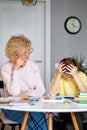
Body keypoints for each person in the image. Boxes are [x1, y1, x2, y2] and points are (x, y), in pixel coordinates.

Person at [0, 35, 48, 130]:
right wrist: (15, 69)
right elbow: (14, 93)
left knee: (38, 115)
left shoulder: (33, 65)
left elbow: (41, 90)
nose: (27, 56)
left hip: (32, 105)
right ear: (15, 53)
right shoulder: (5, 69)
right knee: (37, 117)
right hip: (13, 109)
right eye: (24, 53)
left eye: (28, 52)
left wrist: (28, 94)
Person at [50, 57, 87, 130]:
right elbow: (52, 93)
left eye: (69, 75)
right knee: (70, 121)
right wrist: (58, 75)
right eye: (65, 75)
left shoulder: (81, 75)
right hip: (64, 109)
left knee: (70, 124)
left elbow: (85, 93)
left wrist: (75, 76)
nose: (67, 78)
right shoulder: (59, 75)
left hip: (79, 109)